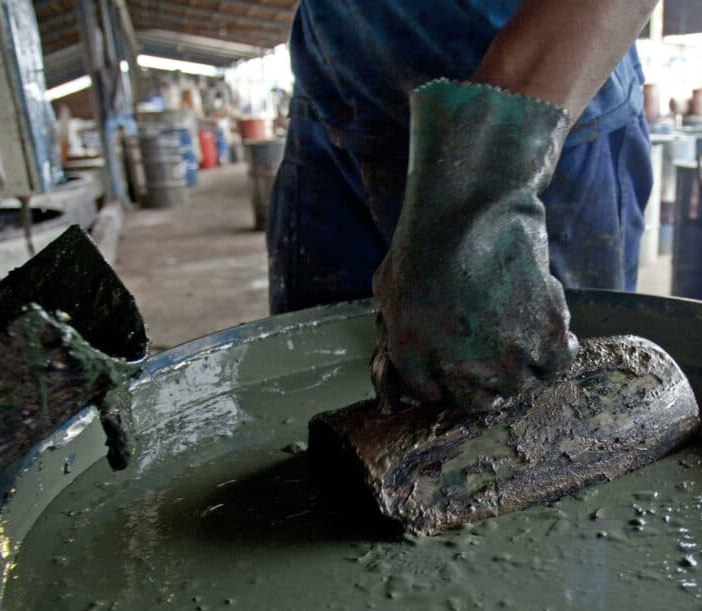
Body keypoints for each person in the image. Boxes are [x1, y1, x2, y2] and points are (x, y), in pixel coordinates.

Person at [267, 1, 656, 412]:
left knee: (568, 408)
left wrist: (488, 178)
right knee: (316, 395)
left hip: (549, 107)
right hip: (340, 102)